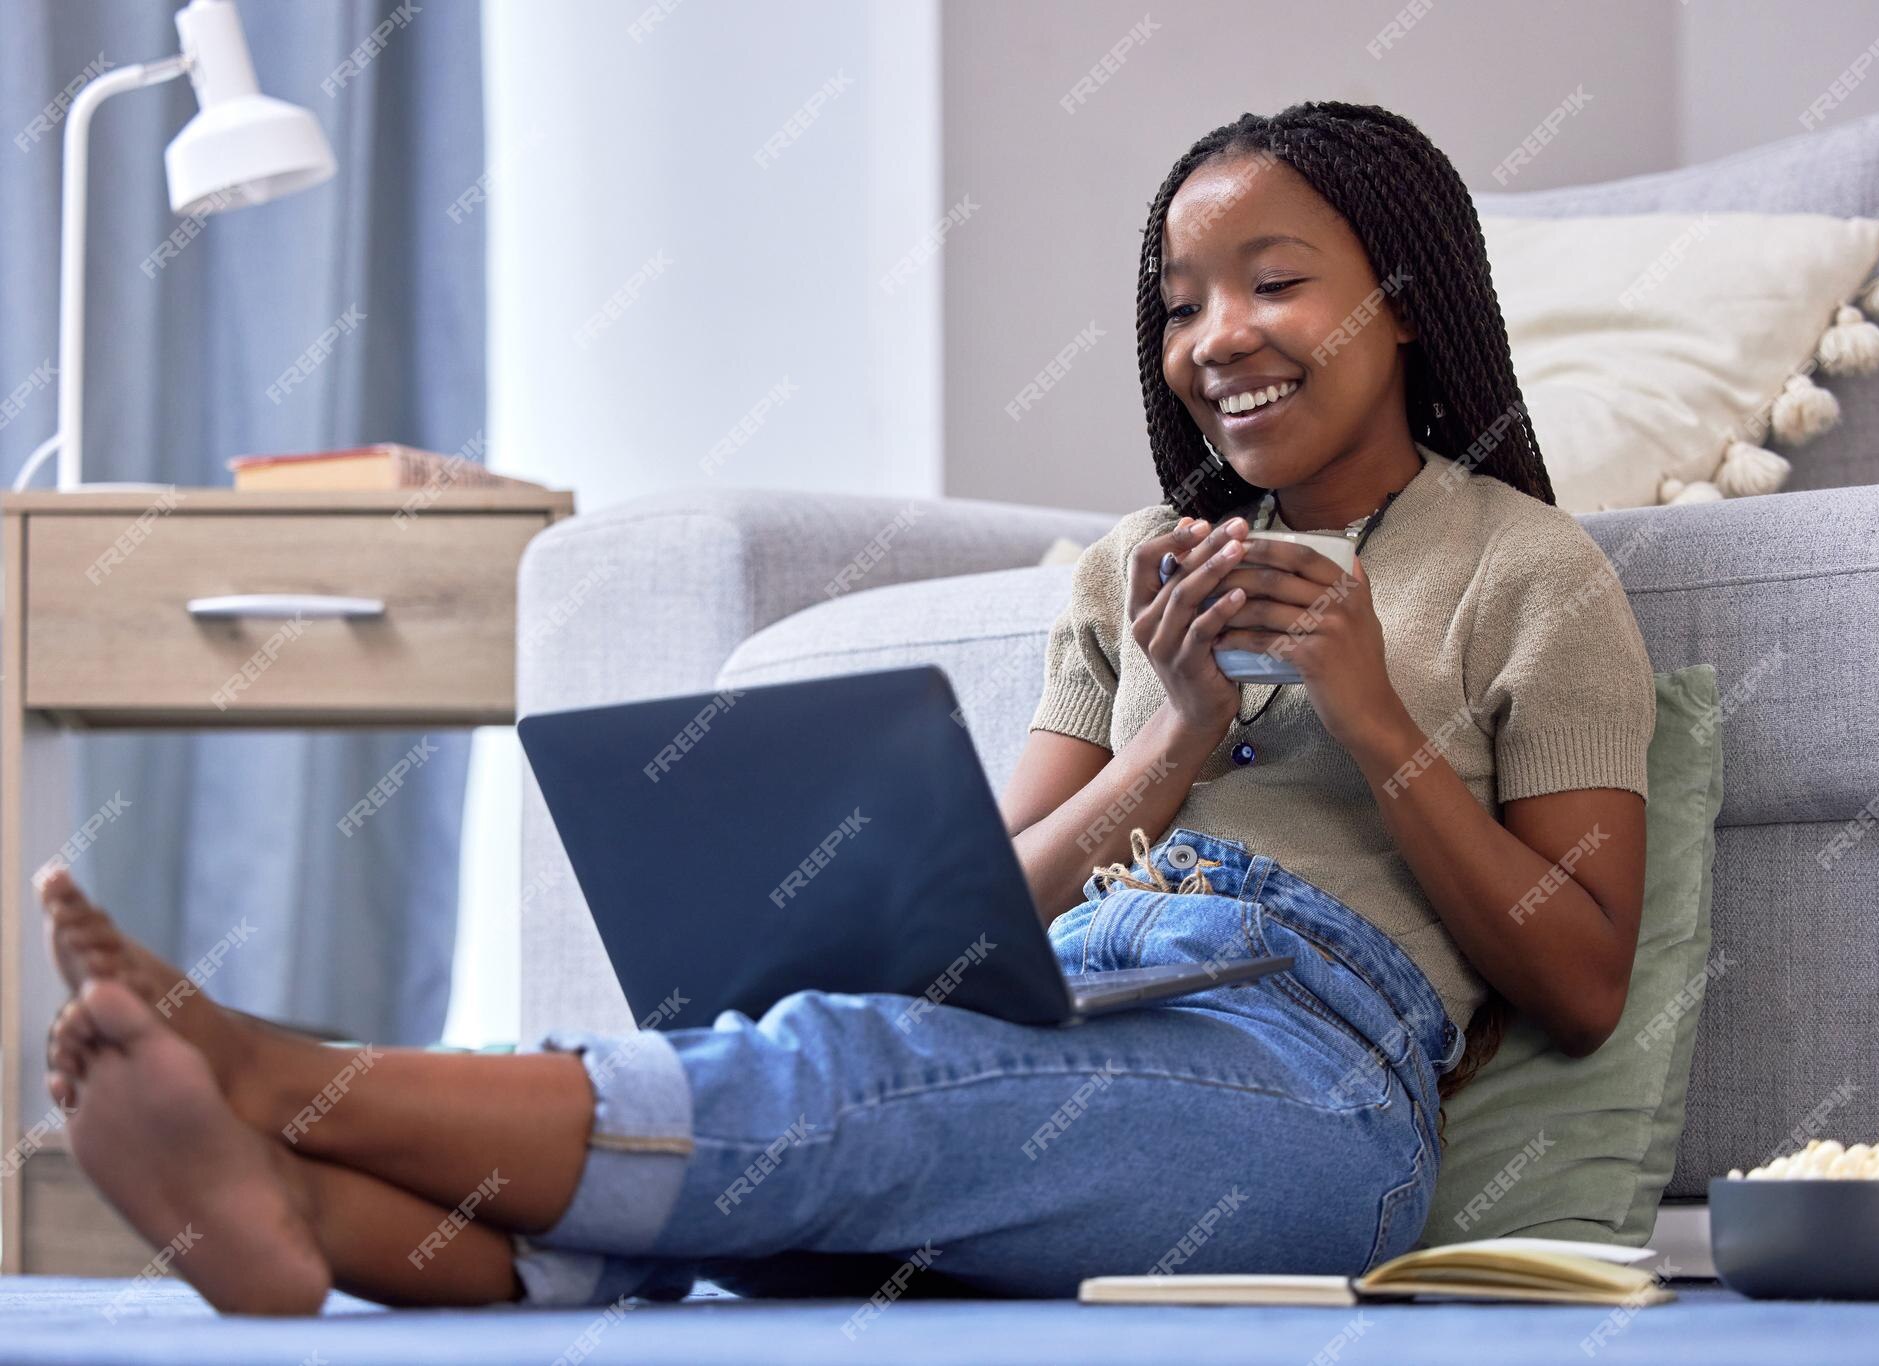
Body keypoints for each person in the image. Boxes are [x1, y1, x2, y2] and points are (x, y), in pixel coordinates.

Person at [37, 99, 1653, 1316]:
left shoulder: (1529, 571)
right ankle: (300, 1217)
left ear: (1409, 296)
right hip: (1058, 1002)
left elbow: (1578, 979)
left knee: (842, 1088)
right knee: (796, 1147)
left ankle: (272, 1070)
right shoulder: (1127, 576)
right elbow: (984, 910)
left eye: (1274, 284)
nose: (1215, 340)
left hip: (1308, 1085)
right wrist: (1173, 738)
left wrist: (1373, 716)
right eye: (1178, 303)